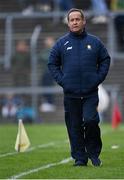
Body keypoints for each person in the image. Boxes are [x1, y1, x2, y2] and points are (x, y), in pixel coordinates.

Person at [48, 8, 111, 166]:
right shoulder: (62, 43)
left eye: (78, 19)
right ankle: (80, 158)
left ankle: (94, 154)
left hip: (90, 93)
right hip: (71, 94)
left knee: (91, 121)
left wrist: (97, 78)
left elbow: (105, 59)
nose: (75, 22)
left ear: (84, 21)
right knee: (74, 127)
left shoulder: (94, 42)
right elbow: (52, 63)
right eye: (72, 20)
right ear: (68, 23)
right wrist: (63, 81)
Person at [39, 37, 56, 112]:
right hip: (45, 72)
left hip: (51, 72)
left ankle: (50, 103)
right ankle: (47, 103)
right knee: (44, 86)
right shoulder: (45, 51)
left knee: (49, 87)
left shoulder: (55, 50)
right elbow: (42, 56)